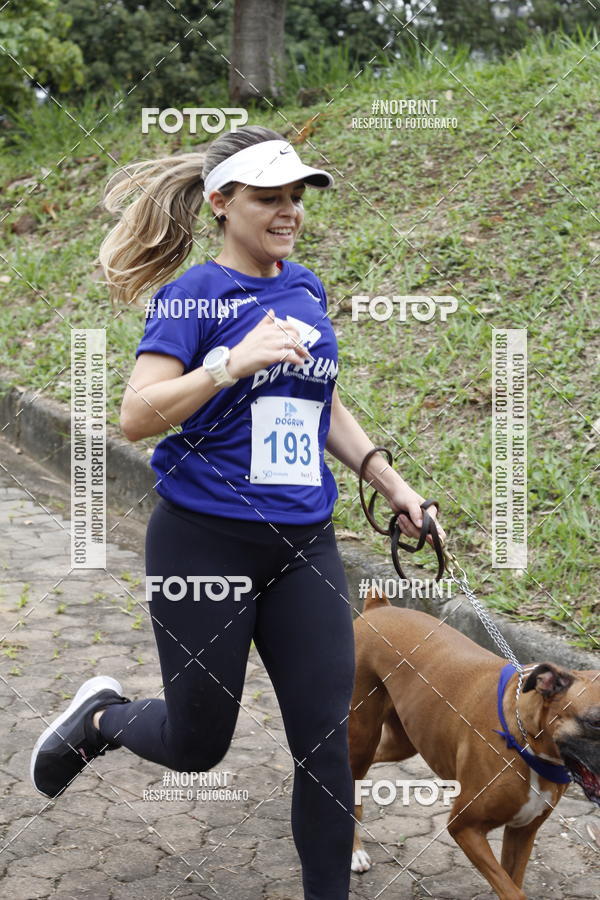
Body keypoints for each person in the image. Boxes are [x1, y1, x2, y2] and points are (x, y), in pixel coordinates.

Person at [30, 125, 445, 899]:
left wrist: (393, 484)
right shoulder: (192, 295)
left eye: (295, 196)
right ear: (222, 203)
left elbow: (317, 399)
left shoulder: (305, 287)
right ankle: (98, 721)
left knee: (325, 743)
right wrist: (229, 363)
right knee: (197, 744)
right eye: (268, 197)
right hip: (205, 544)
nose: (287, 210)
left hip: (304, 546)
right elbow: (137, 414)